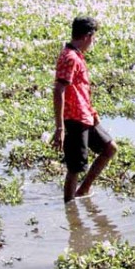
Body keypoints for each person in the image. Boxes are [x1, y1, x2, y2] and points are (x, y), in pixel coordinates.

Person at [51, 17, 118, 202]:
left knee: (110, 148)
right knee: (75, 168)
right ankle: (70, 209)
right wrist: (60, 128)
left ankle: (83, 190)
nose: (93, 41)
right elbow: (58, 90)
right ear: (88, 36)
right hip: (74, 119)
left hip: (85, 115)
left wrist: (93, 113)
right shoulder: (69, 57)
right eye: (93, 37)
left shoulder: (77, 55)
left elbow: (80, 89)